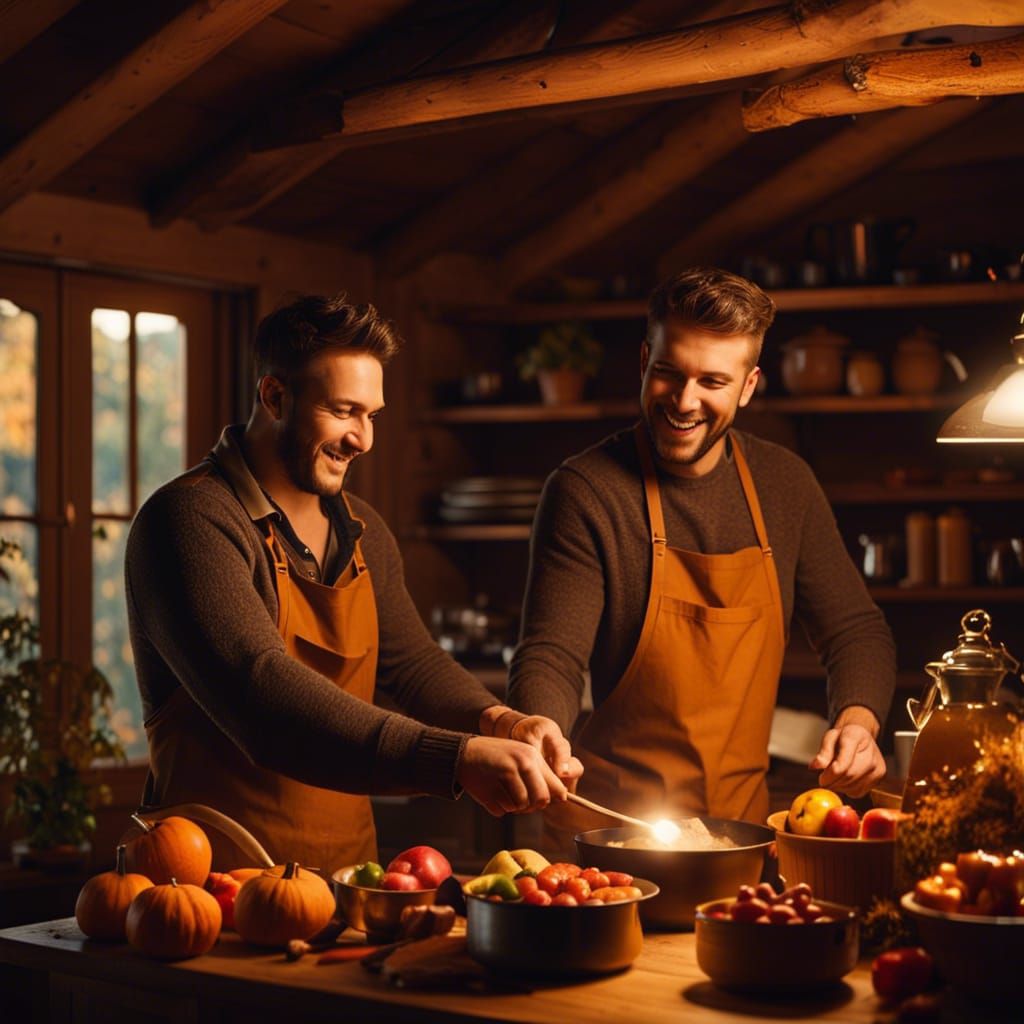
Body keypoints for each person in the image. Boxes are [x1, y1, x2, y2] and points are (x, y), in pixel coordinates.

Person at [125, 294, 580, 870]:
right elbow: (260, 698)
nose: (362, 439)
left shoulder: (364, 532)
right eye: (343, 412)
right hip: (210, 892)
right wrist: (454, 758)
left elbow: (413, 665)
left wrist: (502, 721)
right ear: (274, 396)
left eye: (372, 415)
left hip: (349, 886)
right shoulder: (188, 522)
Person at [508, 267, 895, 846]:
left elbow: (856, 629)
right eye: (669, 373)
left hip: (743, 837)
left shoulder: (785, 484)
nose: (684, 401)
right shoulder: (586, 490)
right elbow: (551, 653)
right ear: (644, 361)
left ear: (748, 386)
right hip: (614, 836)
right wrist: (538, 724)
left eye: (712, 381)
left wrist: (859, 722)